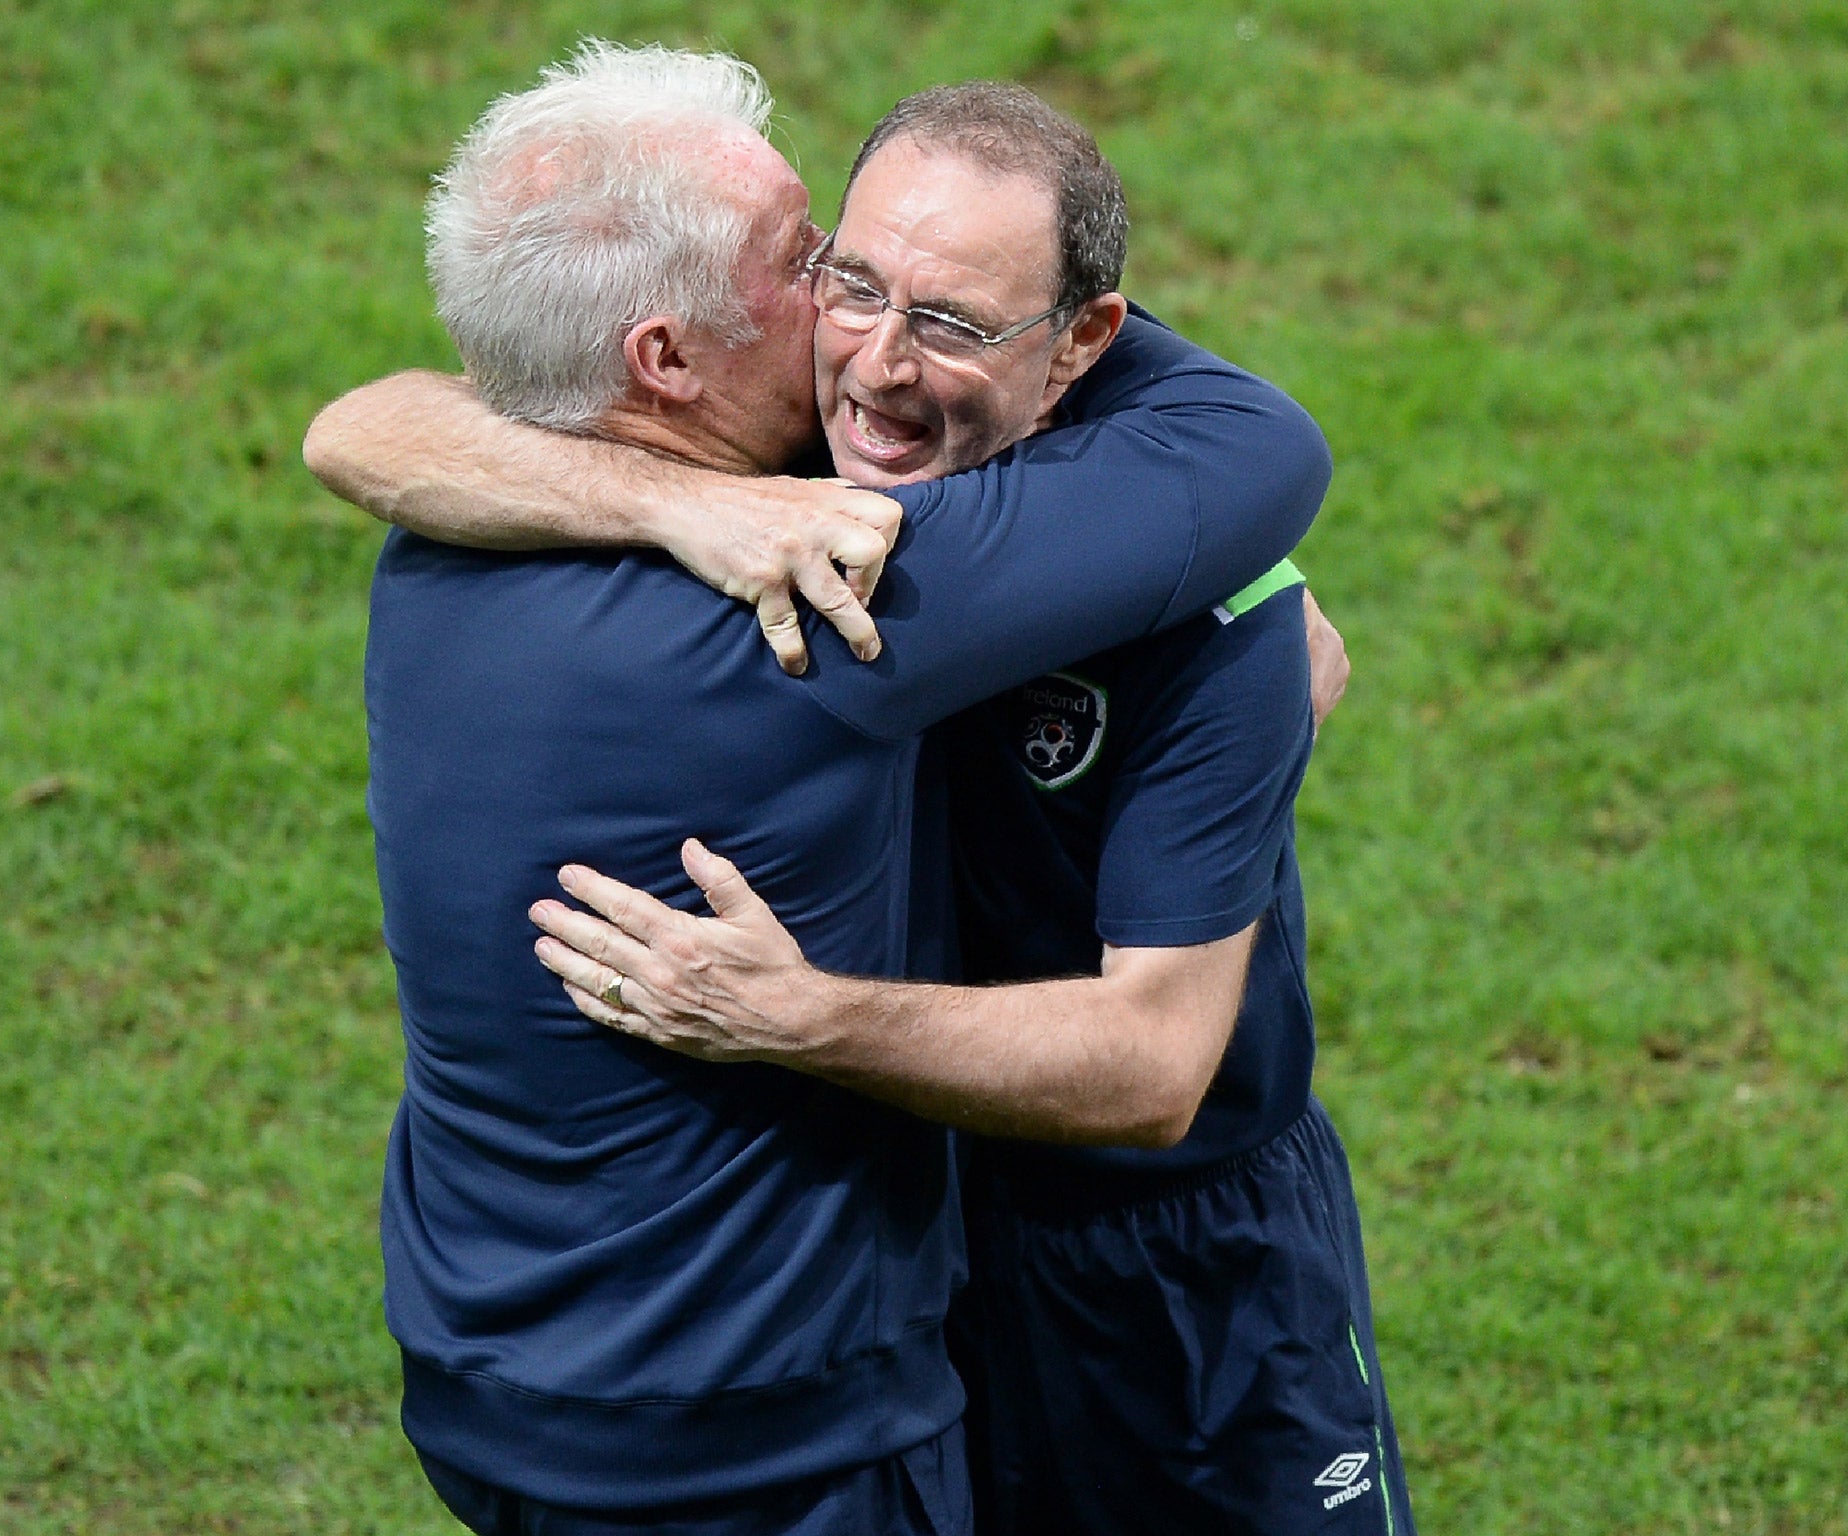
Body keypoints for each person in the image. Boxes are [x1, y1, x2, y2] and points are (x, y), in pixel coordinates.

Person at [309, 45, 1329, 1535]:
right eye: (822, 271)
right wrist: (1030, 326)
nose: (862, 339)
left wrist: (667, 491)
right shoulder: (829, 609)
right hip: (767, 1444)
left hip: (489, 1388)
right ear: (667, 358)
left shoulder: (438, 549)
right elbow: (1254, 451)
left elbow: (365, 420)